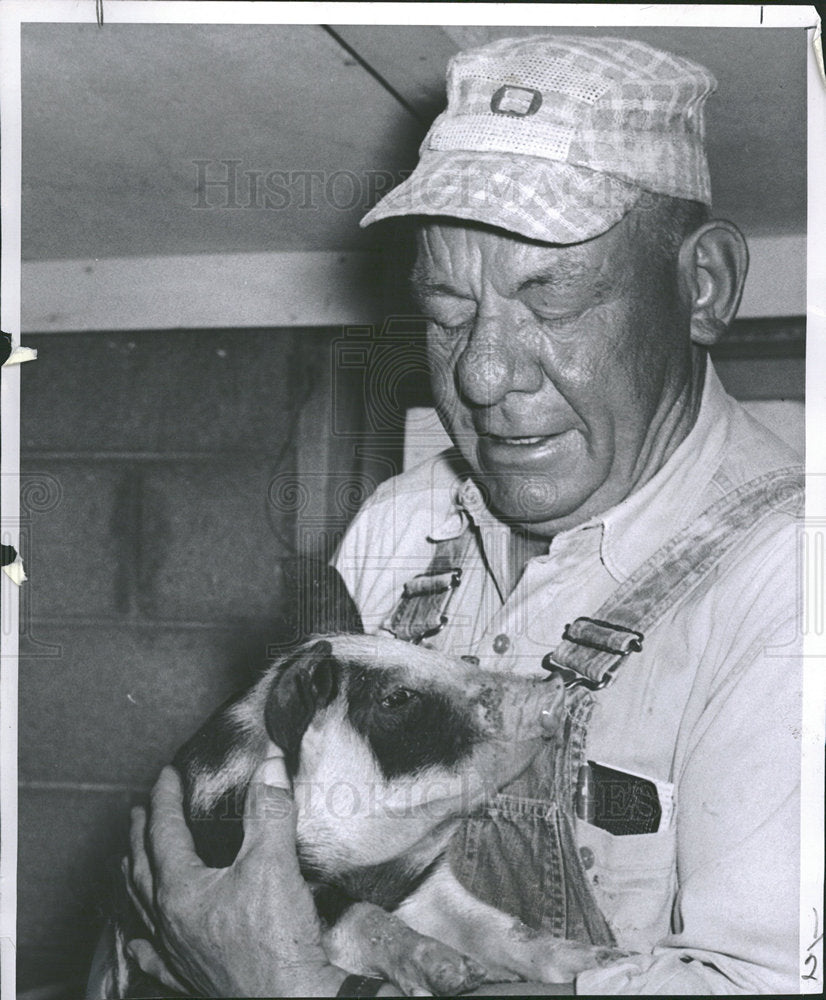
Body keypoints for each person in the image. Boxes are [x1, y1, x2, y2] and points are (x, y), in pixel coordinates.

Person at [125, 35, 803, 995]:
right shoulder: (407, 522)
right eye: (446, 312)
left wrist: (287, 987)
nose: (482, 375)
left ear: (703, 287)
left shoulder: (790, 586)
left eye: (552, 298)